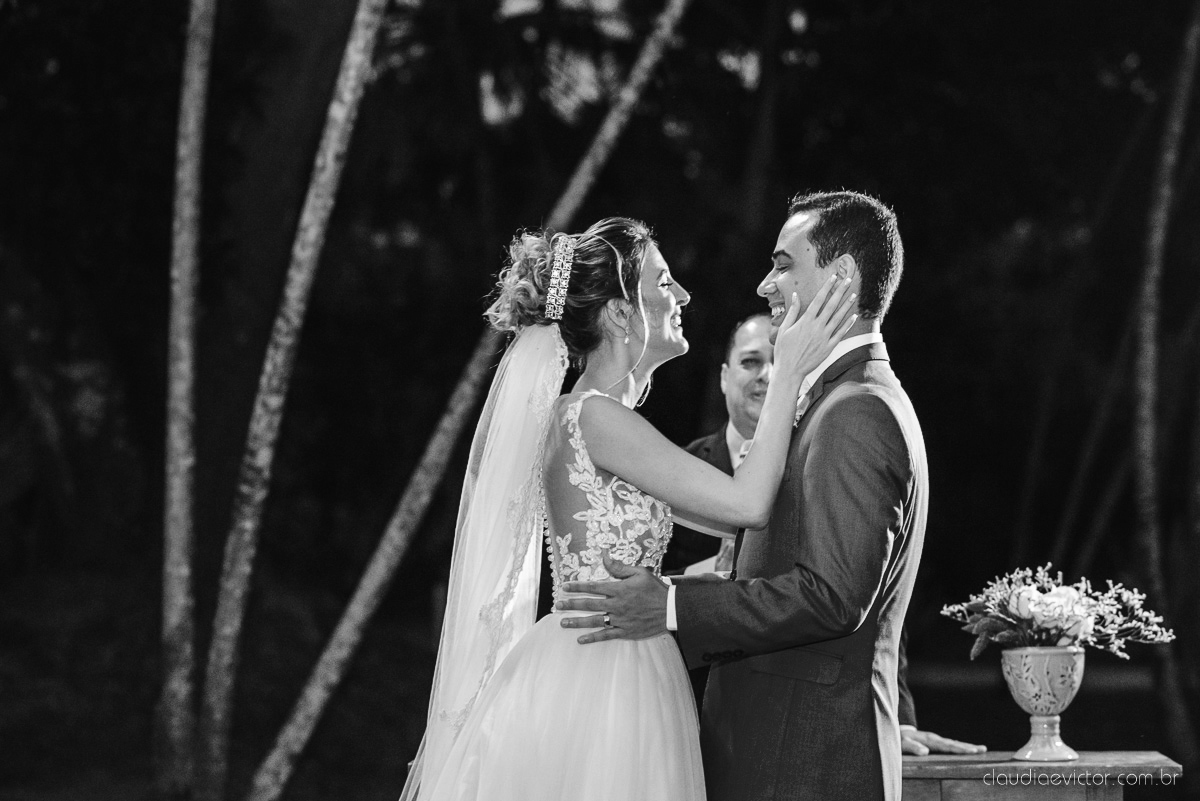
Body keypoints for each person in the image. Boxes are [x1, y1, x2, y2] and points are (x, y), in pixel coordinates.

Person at [400, 216, 857, 801]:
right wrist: (788, 367)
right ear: (619, 313)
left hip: (616, 659)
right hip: (602, 677)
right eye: (665, 285)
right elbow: (748, 504)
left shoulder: (597, 419)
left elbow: (731, 516)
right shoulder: (594, 417)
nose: (684, 296)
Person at [558, 191, 933, 801]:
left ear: (841, 277)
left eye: (784, 264)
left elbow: (835, 598)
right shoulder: (839, 402)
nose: (765, 284)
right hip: (766, 751)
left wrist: (673, 606)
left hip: (804, 764)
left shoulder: (856, 411)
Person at [669, 311, 986, 757]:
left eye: (780, 361)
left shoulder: (827, 448)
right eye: (751, 362)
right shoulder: (675, 470)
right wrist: (714, 571)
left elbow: (867, 592)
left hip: (790, 728)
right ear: (723, 377)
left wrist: (895, 718)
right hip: (684, 714)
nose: (767, 376)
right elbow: (641, 584)